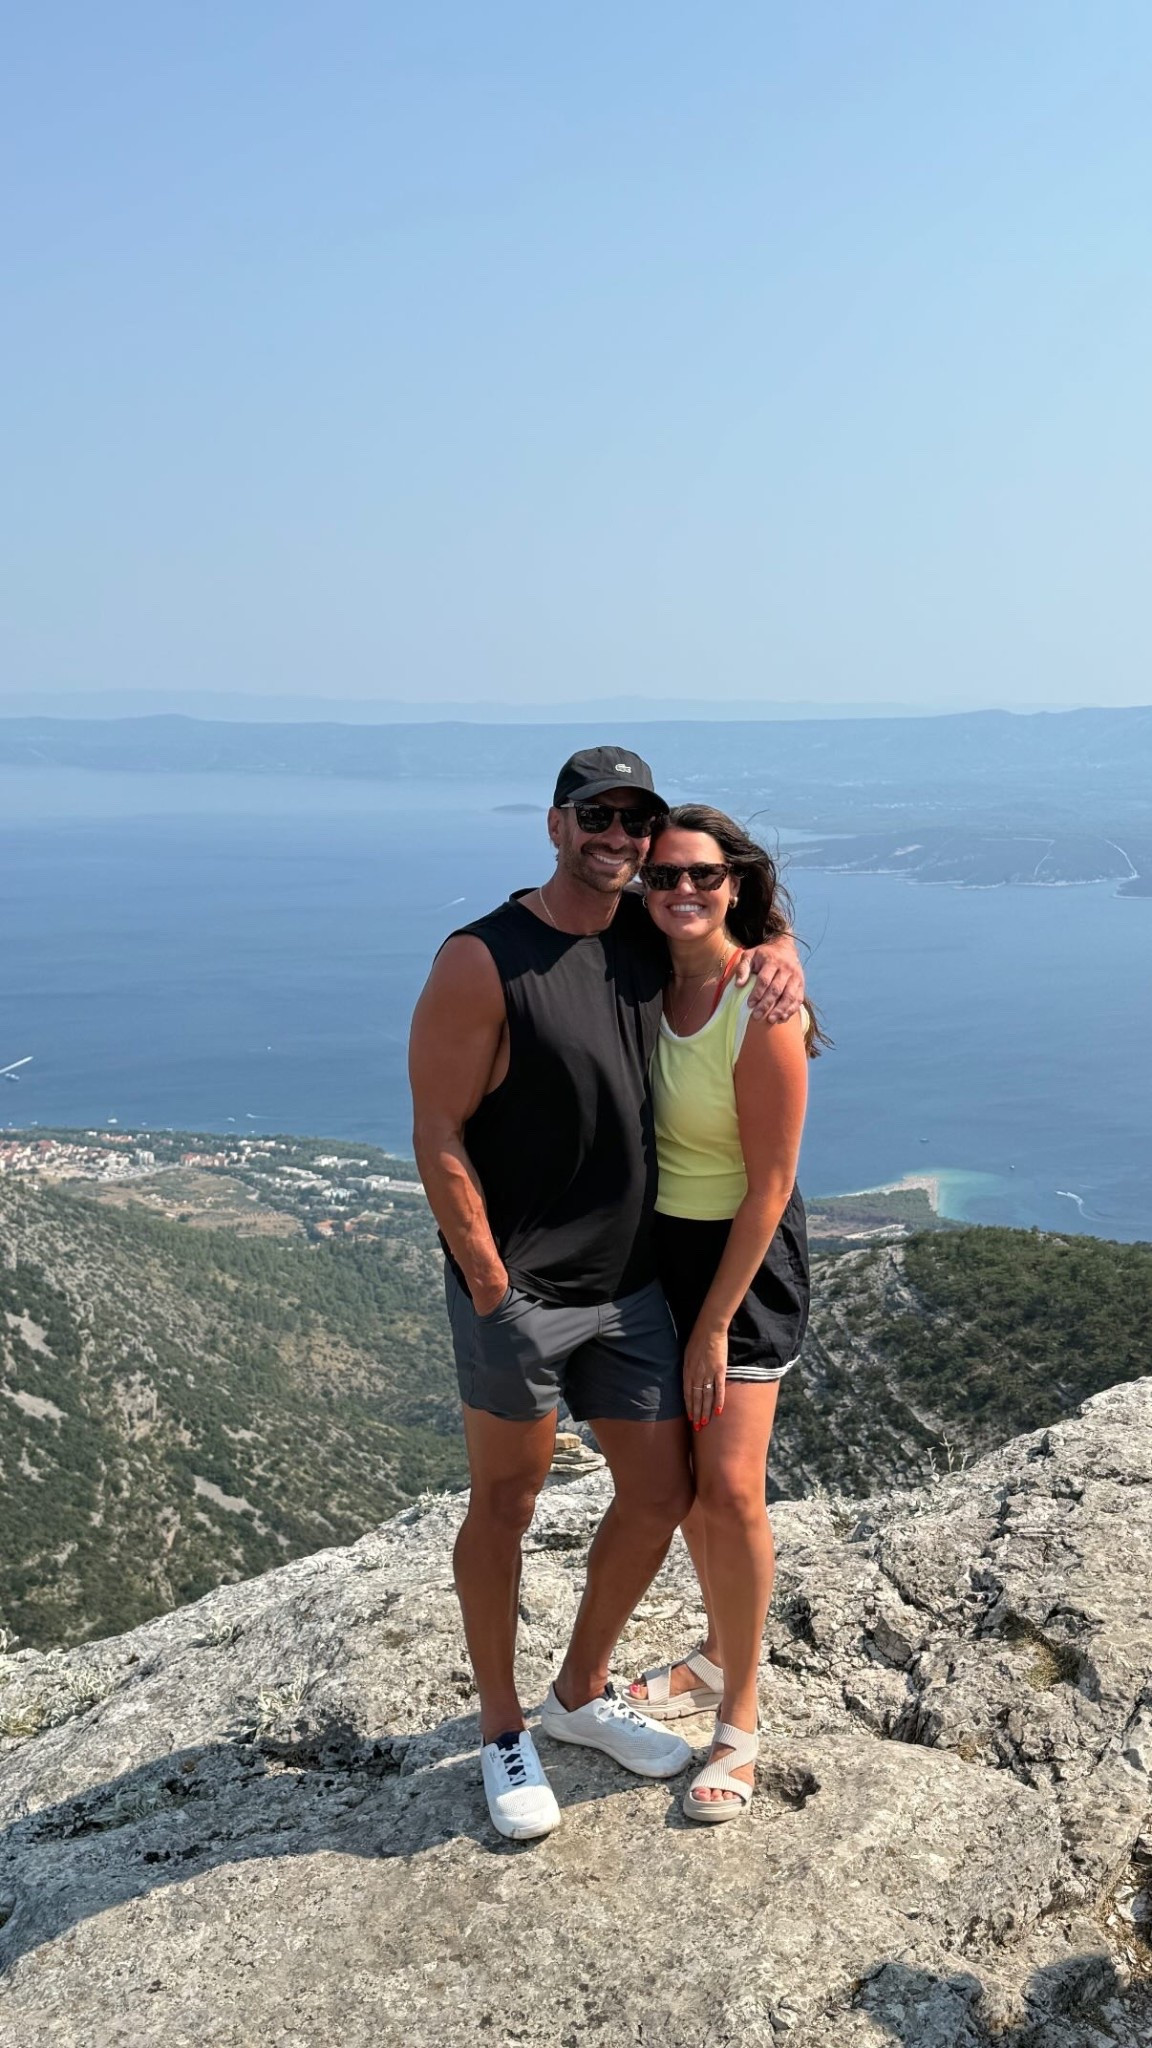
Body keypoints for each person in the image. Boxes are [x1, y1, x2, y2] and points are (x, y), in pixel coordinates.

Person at [408, 747, 805, 1840]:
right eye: (599, 817)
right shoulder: (483, 957)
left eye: (636, 822)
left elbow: (726, 921)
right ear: (556, 824)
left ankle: (578, 1693)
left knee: (663, 1489)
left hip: (632, 1288)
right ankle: (502, 1727)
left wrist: (780, 954)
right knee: (506, 1503)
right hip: (522, 1292)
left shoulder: (640, 929)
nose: (622, 840)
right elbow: (437, 1129)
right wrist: (488, 1280)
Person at [626, 805, 818, 1824]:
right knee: (691, 1490)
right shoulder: (637, 973)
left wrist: (711, 1324)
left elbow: (771, 1186)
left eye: (703, 874)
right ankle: (711, 1654)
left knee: (733, 1489)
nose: (682, 891)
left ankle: (738, 1717)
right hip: (653, 1253)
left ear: (735, 882)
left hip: (741, 1262)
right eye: (663, 876)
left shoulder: (763, 1005)